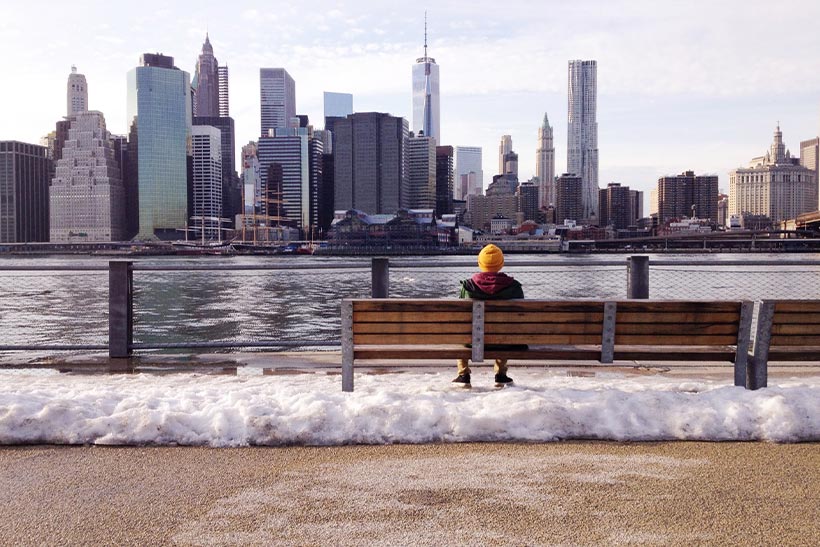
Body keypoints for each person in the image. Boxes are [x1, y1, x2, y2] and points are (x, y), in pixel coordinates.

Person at [453, 244, 524, 388]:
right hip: (503, 341)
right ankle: (501, 374)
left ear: (480, 263)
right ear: (501, 264)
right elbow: (520, 317)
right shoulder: (514, 287)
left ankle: (463, 374)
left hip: (472, 342)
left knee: (462, 332)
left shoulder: (468, 287)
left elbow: (460, 317)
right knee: (506, 330)